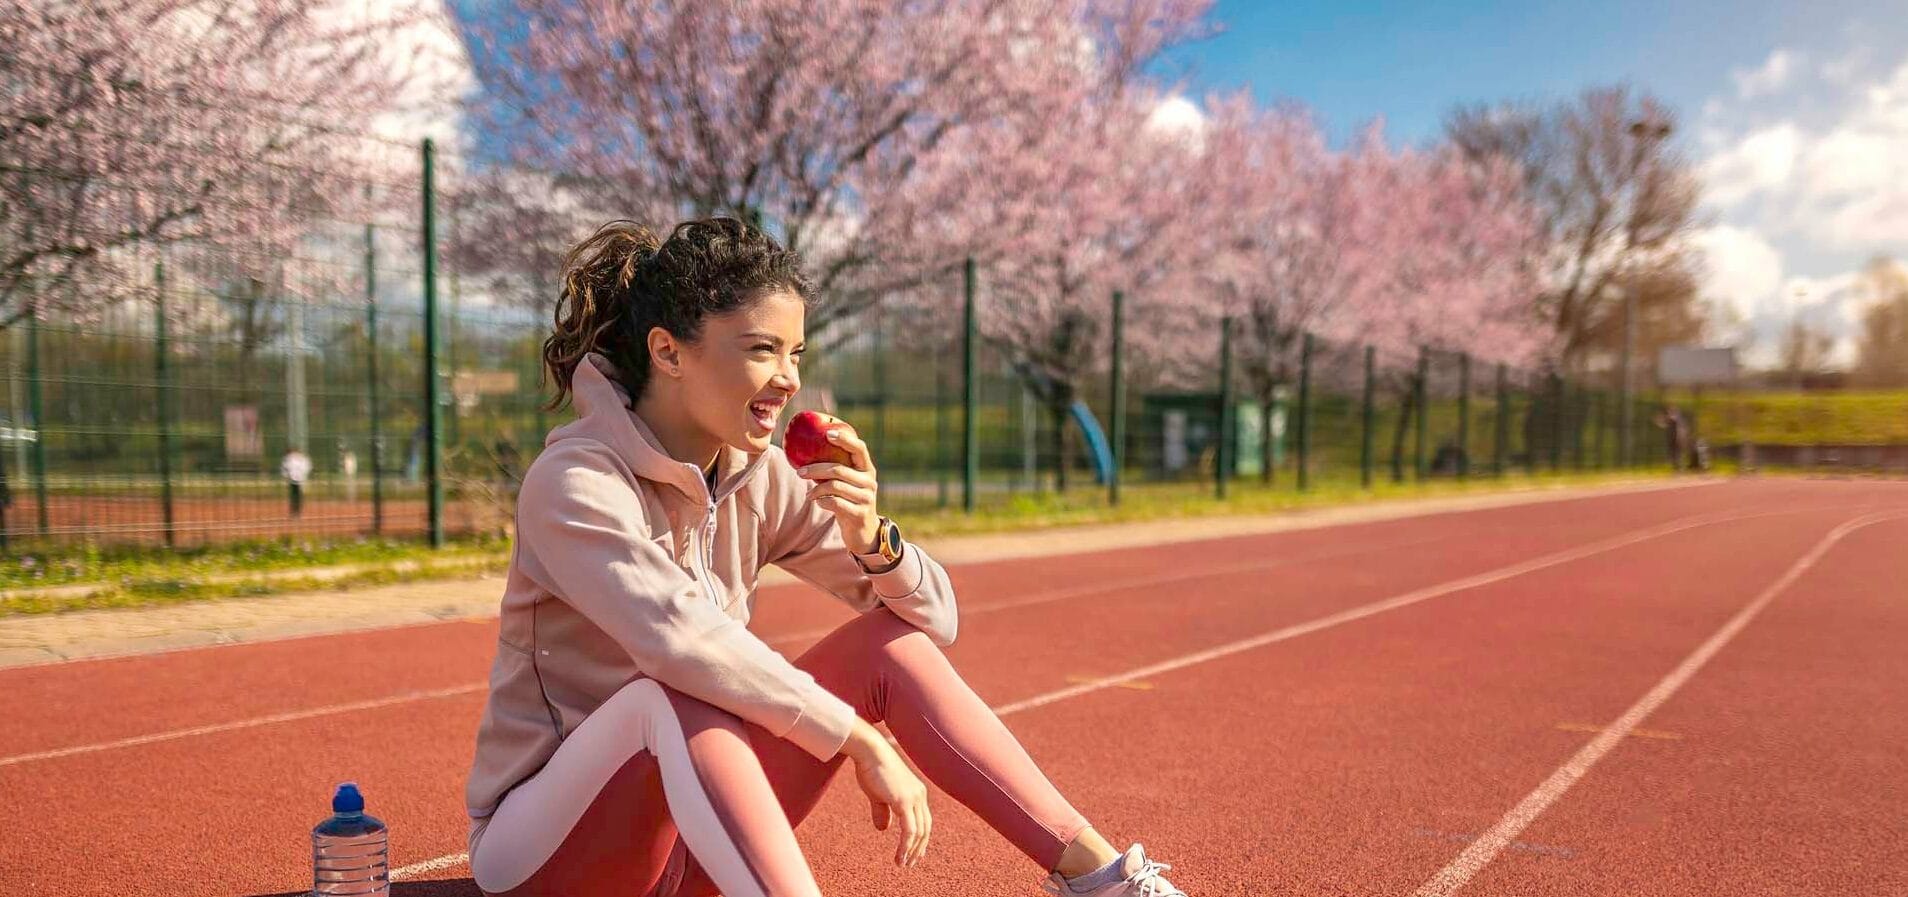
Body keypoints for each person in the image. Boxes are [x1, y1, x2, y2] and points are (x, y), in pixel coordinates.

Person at [463, 218, 1187, 897]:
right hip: (550, 852)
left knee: (885, 648)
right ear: (668, 351)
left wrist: (871, 533)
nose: (787, 378)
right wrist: (854, 736)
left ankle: (1102, 879)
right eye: (760, 349)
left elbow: (934, 624)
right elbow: (677, 639)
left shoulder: (760, 475)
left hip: (700, 832)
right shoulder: (574, 483)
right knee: (673, 693)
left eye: (795, 353)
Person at [280, 447, 311, 517]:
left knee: (297, 497)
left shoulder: (298, 459)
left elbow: (306, 468)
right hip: (294, 480)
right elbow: (285, 469)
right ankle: (294, 512)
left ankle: (296, 512)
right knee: (295, 497)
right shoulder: (291, 458)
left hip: (298, 480)